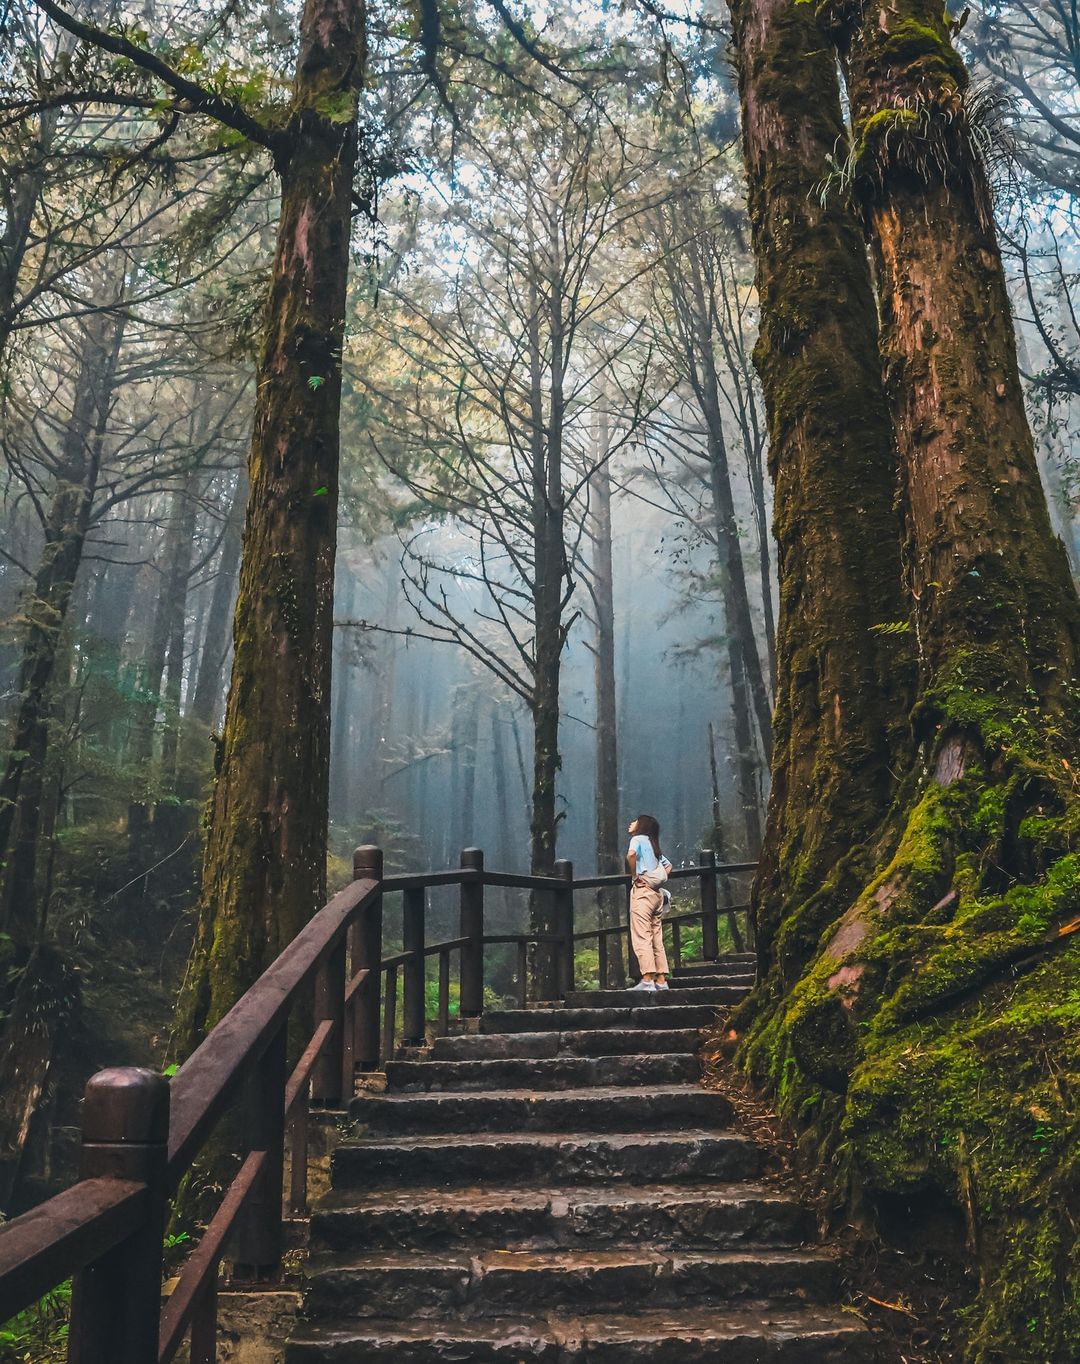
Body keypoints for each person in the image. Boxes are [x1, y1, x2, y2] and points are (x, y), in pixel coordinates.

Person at [626, 814, 673, 992]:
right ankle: (661, 979)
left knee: (642, 935)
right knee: (656, 936)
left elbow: (631, 855)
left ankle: (647, 979)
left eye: (635, 821)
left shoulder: (637, 839)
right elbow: (668, 866)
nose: (631, 823)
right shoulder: (654, 845)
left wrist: (635, 875)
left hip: (642, 894)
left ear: (641, 825)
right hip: (657, 895)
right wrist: (656, 879)